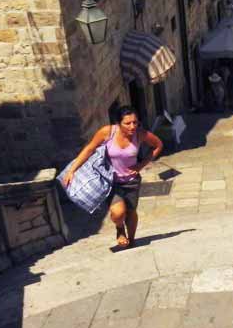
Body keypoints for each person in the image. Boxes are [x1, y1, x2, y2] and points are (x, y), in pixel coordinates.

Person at [62, 106, 162, 248]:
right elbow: (89, 149)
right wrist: (72, 170)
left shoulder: (140, 134)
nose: (132, 126)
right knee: (118, 213)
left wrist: (141, 165)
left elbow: (158, 145)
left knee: (131, 212)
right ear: (118, 123)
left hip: (132, 182)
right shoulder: (107, 132)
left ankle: (132, 241)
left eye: (135, 122)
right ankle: (120, 229)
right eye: (127, 123)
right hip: (111, 182)